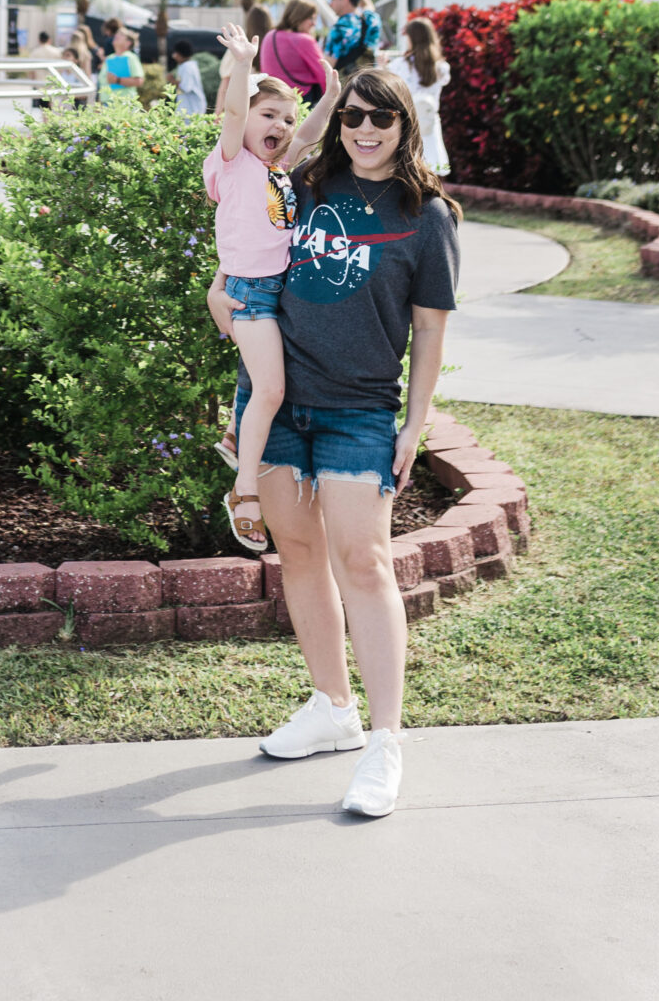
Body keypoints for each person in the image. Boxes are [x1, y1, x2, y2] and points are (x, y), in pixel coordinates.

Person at [223, 64, 459, 819]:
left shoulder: (429, 217)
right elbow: (249, 252)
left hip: (359, 407)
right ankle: (332, 706)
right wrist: (220, 306)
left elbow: (428, 329)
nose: (362, 130)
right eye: (352, 116)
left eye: (379, 120)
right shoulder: (304, 185)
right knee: (296, 554)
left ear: (403, 126)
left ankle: (383, 742)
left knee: (365, 560)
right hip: (282, 399)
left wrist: (414, 425)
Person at [200, 25, 300, 552]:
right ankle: (244, 493)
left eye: (286, 118)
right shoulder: (234, 162)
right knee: (273, 390)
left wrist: (327, 101)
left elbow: (305, 136)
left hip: (276, 292)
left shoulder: (273, 170)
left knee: (259, 382)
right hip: (252, 294)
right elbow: (235, 115)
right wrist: (242, 64)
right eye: (270, 114)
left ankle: (237, 434)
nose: (280, 125)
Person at [387, 16, 451, 177]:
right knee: (431, 167)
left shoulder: (401, 65)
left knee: (408, 166)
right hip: (429, 121)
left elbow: (387, 82)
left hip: (408, 121)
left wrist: (382, 64)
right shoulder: (441, 67)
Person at [260, 0, 329, 104]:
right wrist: (330, 100)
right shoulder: (304, 40)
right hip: (300, 99)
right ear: (299, 16)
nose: (314, 24)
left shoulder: (270, 35)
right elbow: (324, 74)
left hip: (271, 96)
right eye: (311, 18)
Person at [324, 0, 381, 75]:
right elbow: (368, 4)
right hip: (371, 80)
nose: (331, 3)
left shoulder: (339, 28)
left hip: (348, 85)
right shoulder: (371, 19)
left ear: (345, 0)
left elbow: (329, 66)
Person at [100, 18, 145, 99]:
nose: (116, 36)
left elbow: (139, 81)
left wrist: (117, 80)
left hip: (123, 106)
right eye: (117, 34)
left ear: (128, 42)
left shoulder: (131, 58)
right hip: (106, 104)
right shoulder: (109, 58)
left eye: (121, 35)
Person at [169, 41, 207, 117]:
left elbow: (186, 87)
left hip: (191, 109)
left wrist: (172, 80)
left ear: (180, 54)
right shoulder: (186, 66)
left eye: (175, 53)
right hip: (188, 108)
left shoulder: (187, 67)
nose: (174, 56)